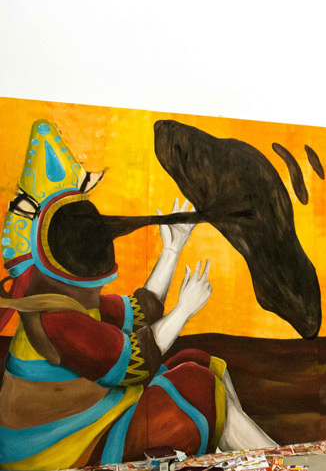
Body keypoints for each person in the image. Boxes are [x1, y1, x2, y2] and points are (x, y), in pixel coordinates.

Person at [0, 120, 275, 471]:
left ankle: (265, 458)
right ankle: (279, 461)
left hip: (88, 426)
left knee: (200, 362)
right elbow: (133, 359)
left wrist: (172, 249)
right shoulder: (58, 320)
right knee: (198, 383)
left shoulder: (63, 302)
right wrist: (183, 310)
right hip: (67, 450)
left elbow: (139, 311)